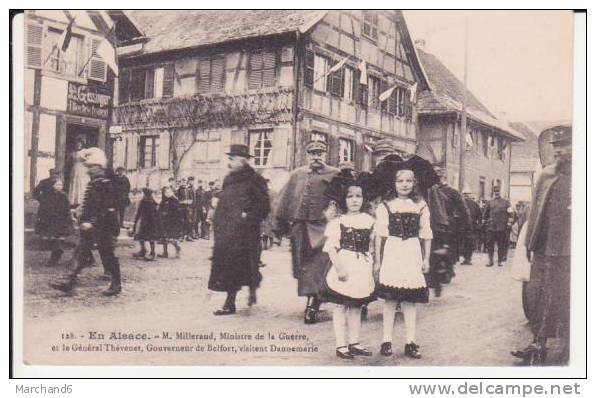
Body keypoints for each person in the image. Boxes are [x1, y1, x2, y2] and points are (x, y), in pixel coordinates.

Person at [511, 126, 572, 366]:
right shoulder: (546, 174)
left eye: (565, 145)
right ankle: (537, 344)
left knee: (569, 296)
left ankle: (569, 345)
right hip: (543, 247)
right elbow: (535, 211)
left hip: (571, 251)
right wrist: (529, 243)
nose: (558, 150)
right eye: (556, 146)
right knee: (539, 296)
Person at [274, 140, 339, 324]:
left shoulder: (335, 174)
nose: (316, 156)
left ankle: (313, 305)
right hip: (300, 228)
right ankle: (313, 298)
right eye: (312, 153)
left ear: (325, 155)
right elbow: (284, 200)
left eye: (320, 153)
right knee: (302, 266)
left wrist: (335, 211)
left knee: (319, 265)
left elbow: (344, 198)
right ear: (307, 156)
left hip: (323, 228)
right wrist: (279, 225)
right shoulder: (297, 174)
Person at [374, 166, 433, 358]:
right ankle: (386, 341)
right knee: (390, 299)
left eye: (408, 180)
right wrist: (377, 261)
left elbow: (426, 234)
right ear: (393, 183)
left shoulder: (421, 205)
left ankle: (410, 341)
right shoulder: (386, 205)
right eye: (400, 181)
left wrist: (426, 258)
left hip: (412, 252)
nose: (404, 184)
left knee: (410, 300)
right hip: (392, 251)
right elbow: (379, 235)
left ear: (414, 183)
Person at [50, 148, 122, 296]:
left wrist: (92, 222)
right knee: (81, 252)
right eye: (88, 167)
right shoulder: (94, 182)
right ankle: (70, 282)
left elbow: (107, 207)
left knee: (107, 254)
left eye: (92, 167)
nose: (89, 170)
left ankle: (116, 284)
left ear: (100, 167)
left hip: (105, 225)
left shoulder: (107, 183)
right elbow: (90, 203)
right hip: (90, 224)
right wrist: (80, 212)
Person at [208, 145, 270, 315]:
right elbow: (228, 198)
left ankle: (239, 298)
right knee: (228, 266)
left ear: (244, 161)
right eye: (230, 158)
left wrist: (248, 216)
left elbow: (264, 205)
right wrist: (217, 201)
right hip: (226, 231)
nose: (230, 162)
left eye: (233, 158)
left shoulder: (256, 179)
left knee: (244, 266)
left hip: (245, 233)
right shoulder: (229, 179)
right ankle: (233, 300)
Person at [322, 173, 376, 359]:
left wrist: (372, 262)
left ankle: (354, 342)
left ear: (364, 198)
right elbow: (331, 248)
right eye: (350, 196)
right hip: (344, 264)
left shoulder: (369, 220)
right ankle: (340, 345)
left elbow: (372, 244)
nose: (354, 200)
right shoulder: (338, 222)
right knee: (340, 306)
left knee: (356, 306)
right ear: (342, 200)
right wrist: (339, 268)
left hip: (362, 266)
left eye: (358, 196)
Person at [34, 177, 73, 267]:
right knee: (53, 240)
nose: (60, 186)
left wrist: (66, 220)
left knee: (57, 240)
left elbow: (66, 209)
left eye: (61, 185)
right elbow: (36, 194)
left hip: (60, 221)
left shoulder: (63, 195)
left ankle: (54, 258)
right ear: (52, 186)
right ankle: (55, 255)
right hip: (49, 221)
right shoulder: (46, 196)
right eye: (57, 185)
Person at [483, 186, 513, 267]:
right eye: (495, 191)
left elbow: (511, 214)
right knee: (490, 245)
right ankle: (490, 261)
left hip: (501, 227)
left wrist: (509, 223)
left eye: (498, 191)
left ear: (500, 192)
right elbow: (485, 214)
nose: (496, 193)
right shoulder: (489, 202)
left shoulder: (506, 202)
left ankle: (499, 261)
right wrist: (484, 222)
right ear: (493, 192)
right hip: (491, 227)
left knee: (501, 245)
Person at [132, 188, 160, 261]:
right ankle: (143, 250)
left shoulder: (149, 202)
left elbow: (153, 214)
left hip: (150, 223)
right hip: (145, 222)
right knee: (141, 237)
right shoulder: (145, 201)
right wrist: (136, 222)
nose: (141, 194)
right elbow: (139, 212)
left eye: (142, 193)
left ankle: (153, 253)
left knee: (151, 238)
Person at [158, 186, 182, 259]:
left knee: (172, 238)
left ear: (172, 192)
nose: (167, 193)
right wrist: (161, 213)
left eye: (169, 192)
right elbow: (160, 209)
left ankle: (177, 248)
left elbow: (177, 211)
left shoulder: (175, 200)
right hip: (165, 221)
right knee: (164, 237)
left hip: (172, 222)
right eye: (166, 192)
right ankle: (165, 253)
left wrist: (168, 213)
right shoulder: (164, 200)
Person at [67, 136, 90, 208]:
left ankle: (82, 200)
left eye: (79, 144)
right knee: (75, 183)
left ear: (82, 144)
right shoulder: (73, 153)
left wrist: (85, 159)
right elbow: (68, 161)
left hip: (83, 169)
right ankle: (74, 201)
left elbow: (89, 160)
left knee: (82, 183)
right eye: (77, 144)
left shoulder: (85, 151)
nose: (78, 145)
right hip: (75, 169)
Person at [461, 191, 482, 264]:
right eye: (464, 194)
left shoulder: (474, 204)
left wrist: (479, 224)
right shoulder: (460, 203)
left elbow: (479, 215)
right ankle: (466, 258)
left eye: (467, 194)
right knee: (464, 243)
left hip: (471, 227)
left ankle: (468, 258)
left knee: (469, 243)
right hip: (463, 227)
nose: (466, 195)